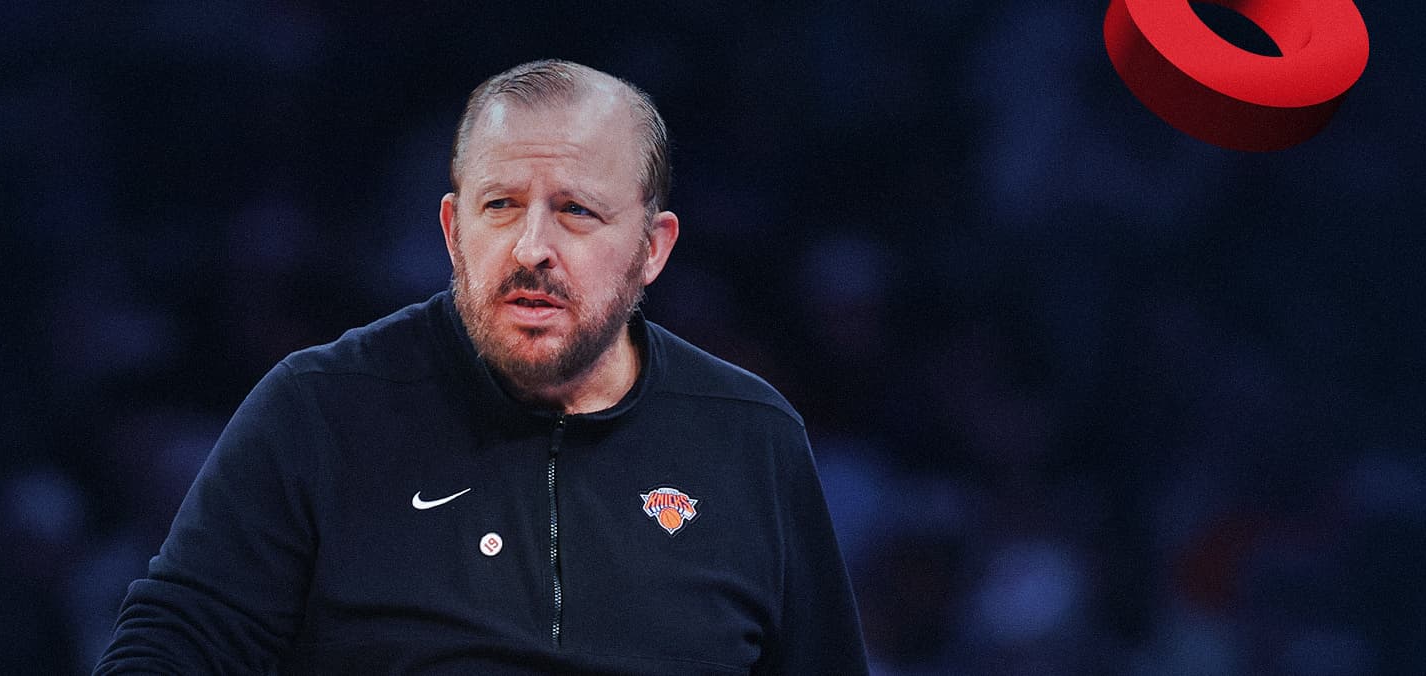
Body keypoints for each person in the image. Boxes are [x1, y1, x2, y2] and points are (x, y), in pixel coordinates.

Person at [97, 59, 869, 675]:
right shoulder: (321, 409)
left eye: (576, 211)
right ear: (452, 230)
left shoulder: (751, 437)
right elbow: (169, 647)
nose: (532, 248)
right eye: (499, 206)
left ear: (652, 248)